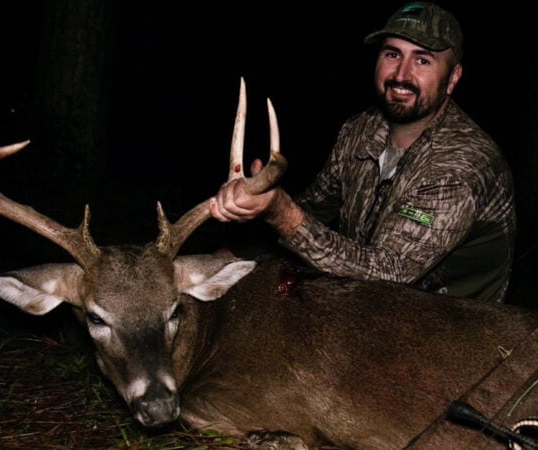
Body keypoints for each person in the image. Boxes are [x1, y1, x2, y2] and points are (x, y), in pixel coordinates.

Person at [210, 2, 516, 302]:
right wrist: (255, 212)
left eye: (423, 60)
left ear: (453, 77)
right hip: (362, 307)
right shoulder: (361, 130)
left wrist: (283, 213)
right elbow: (315, 208)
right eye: (392, 54)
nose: (401, 74)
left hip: (448, 331)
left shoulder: (463, 165)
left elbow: (389, 273)